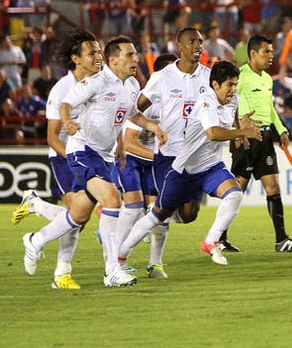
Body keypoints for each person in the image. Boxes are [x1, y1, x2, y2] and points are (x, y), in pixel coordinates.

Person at [21, 36, 167, 288]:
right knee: (112, 200)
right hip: (83, 151)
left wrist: (151, 125)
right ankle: (111, 270)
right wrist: (67, 121)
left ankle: (36, 240)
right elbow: (67, 103)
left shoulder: (131, 84)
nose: (137, 59)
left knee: (78, 214)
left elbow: (131, 113)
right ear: (114, 60)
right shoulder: (96, 82)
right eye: (130, 55)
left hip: (105, 155)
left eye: (135, 54)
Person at [118, 61, 261, 268]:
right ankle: (121, 255)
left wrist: (241, 125)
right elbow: (212, 133)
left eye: (235, 84)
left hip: (211, 167)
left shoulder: (233, 99)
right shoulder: (205, 101)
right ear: (215, 84)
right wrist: (241, 132)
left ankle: (211, 241)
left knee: (235, 194)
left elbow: (232, 118)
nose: (233, 89)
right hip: (185, 170)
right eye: (229, 84)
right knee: (158, 215)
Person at [12, 29, 103, 290]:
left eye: (98, 51)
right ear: (76, 58)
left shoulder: (99, 82)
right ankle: (61, 273)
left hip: (92, 155)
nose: (98, 56)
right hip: (66, 157)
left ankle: (36, 207)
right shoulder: (62, 90)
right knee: (78, 217)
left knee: (78, 218)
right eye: (92, 52)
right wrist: (76, 159)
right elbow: (52, 137)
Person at [135, 27, 212, 260]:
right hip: (169, 153)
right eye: (192, 41)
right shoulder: (162, 77)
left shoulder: (208, 76)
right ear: (179, 46)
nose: (198, 46)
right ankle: (125, 255)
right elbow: (137, 106)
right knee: (165, 207)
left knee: (190, 214)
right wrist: (149, 125)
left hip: (196, 155)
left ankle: (153, 216)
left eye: (200, 42)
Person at [225, 35, 292, 252]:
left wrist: (280, 130)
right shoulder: (240, 76)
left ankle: (282, 240)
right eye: (266, 52)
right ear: (253, 53)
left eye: (272, 52)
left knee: (273, 186)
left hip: (265, 138)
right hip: (246, 140)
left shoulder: (267, 79)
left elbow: (270, 109)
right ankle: (219, 238)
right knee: (236, 191)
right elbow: (227, 102)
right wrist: (236, 129)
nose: (271, 56)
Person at [119, 53, 177, 279]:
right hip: (132, 160)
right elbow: (129, 142)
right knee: (133, 209)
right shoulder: (147, 101)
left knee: (160, 213)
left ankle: (155, 264)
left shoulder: (177, 101)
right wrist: (158, 156)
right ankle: (117, 261)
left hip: (155, 163)